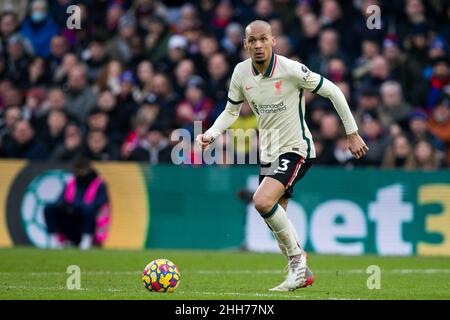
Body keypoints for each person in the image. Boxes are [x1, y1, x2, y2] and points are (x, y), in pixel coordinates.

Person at [196, 20, 368, 292]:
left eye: (263, 39)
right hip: (269, 152)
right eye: (252, 40)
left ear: (273, 41)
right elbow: (231, 111)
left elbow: (333, 91)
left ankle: (299, 261)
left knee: (262, 201)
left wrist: (352, 132)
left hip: (296, 149)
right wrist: (212, 134)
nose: (258, 45)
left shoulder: (291, 69)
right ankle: (300, 272)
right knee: (278, 219)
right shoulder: (241, 73)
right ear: (245, 44)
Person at [44, 157, 110, 250]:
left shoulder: (99, 184)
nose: (80, 172)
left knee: (89, 209)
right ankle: (54, 240)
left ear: (89, 169)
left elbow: (100, 203)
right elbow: (60, 199)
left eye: (83, 169)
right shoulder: (71, 182)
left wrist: (77, 206)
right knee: (49, 207)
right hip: (70, 219)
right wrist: (66, 205)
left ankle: (86, 240)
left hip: (89, 221)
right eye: (78, 169)